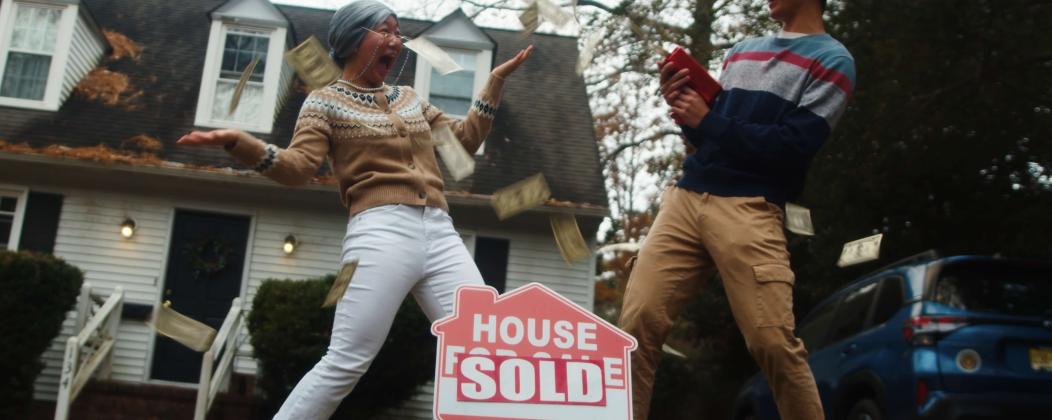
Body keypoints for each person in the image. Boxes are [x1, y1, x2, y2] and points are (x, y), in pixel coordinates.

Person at [178, 1, 532, 418]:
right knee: (347, 358)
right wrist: (242, 142)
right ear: (351, 39)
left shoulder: (411, 100)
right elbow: (297, 169)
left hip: (440, 231)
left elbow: (463, 143)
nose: (395, 41)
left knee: (486, 344)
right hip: (381, 232)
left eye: (398, 33)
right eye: (385, 31)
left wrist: (492, 83)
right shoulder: (323, 103)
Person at [618, 0, 854, 418]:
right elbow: (707, 139)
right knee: (636, 328)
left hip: (751, 207)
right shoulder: (742, 50)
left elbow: (793, 148)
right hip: (686, 197)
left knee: (772, 343)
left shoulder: (833, 60)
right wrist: (684, 108)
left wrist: (708, 120)